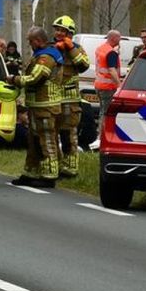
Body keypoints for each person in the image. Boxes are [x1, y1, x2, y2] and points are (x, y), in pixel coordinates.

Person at [8, 26, 65, 188]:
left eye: (31, 41)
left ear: (39, 41)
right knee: (33, 141)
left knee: (47, 140)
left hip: (46, 107)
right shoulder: (41, 55)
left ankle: (49, 174)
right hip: (37, 106)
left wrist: (14, 79)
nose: (29, 44)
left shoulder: (46, 57)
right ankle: (31, 172)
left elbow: (35, 78)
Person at [52, 15, 90, 177]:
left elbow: (84, 66)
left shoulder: (77, 49)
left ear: (70, 33)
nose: (59, 33)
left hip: (70, 101)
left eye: (63, 31)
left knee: (68, 135)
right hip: (52, 99)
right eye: (57, 30)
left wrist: (71, 49)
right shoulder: (51, 48)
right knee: (51, 135)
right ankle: (57, 166)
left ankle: (71, 168)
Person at [94, 30, 124, 132]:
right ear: (114, 38)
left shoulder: (100, 48)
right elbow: (112, 70)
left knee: (102, 111)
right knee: (106, 112)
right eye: (119, 38)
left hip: (99, 85)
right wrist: (119, 85)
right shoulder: (111, 52)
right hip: (108, 87)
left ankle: (100, 135)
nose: (120, 40)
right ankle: (102, 136)